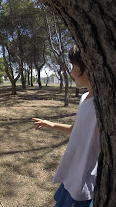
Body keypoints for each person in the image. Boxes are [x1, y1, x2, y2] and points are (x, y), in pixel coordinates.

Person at [32, 45, 100, 207]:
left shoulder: (103, 107)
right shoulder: (84, 99)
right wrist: (52, 124)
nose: (71, 72)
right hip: (72, 172)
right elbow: (78, 131)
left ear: (89, 68)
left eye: (74, 67)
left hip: (86, 179)